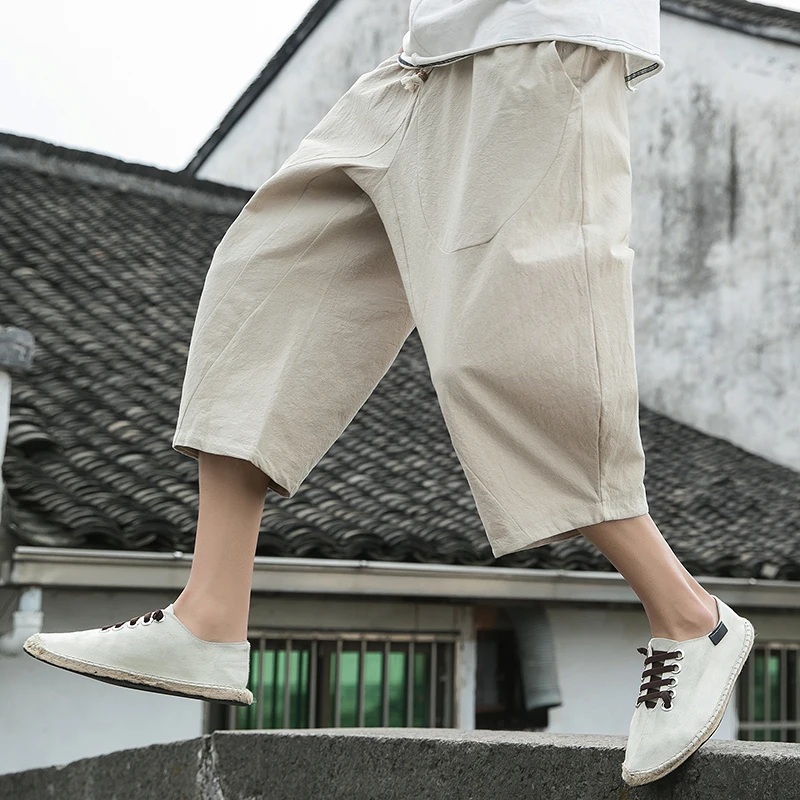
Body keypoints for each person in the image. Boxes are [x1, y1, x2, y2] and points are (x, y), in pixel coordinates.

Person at [23, 0, 754, 788]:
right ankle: (207, 616)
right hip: (421, 62)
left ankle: (690, 618)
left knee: (508, 351)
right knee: (266, 288)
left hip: (540, 41)